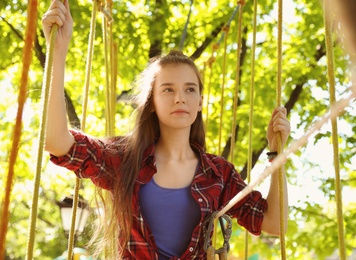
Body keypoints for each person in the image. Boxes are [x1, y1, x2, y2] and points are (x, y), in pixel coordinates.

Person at [42, 0, 290, 259]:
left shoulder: (219, 173)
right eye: (168, 89)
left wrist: (276, 153)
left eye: (190, 89)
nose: (180, 98)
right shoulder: (123, 158)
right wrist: (57, 53)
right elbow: (57, 142)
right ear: (151, 103)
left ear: (200, 103)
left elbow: (273, 224)